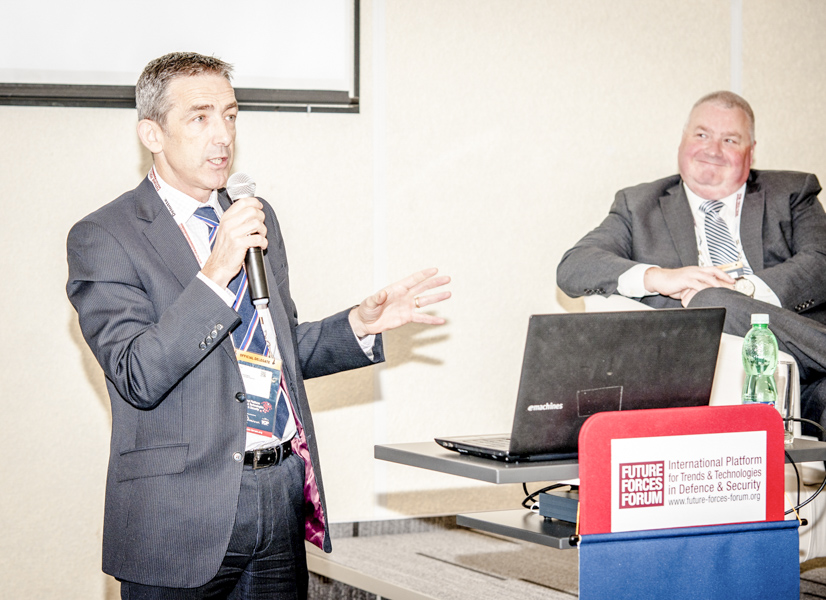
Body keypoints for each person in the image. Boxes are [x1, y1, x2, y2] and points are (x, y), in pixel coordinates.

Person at [66, 52, 451, 600]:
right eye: (200, 117)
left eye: (230, 115)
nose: (222, 135)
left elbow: (272, 353)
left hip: (279, 491)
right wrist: (215, 273)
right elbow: (138, 374)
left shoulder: (251, 213)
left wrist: (358, 326)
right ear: (152, 133)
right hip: (177, 514)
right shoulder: (105, 236)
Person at [557, 90, 826, 430]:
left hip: (800, 374)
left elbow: (820, 261)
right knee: (707, 302)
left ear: (751, 151)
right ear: (683, 139)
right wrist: (660, 277)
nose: (713, 150)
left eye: (730, 140)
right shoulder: (638, 205)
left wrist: (744, 290)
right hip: (694, 377)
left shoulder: (791, 192)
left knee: (713, 299)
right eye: (702, 135)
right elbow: (575, 266)